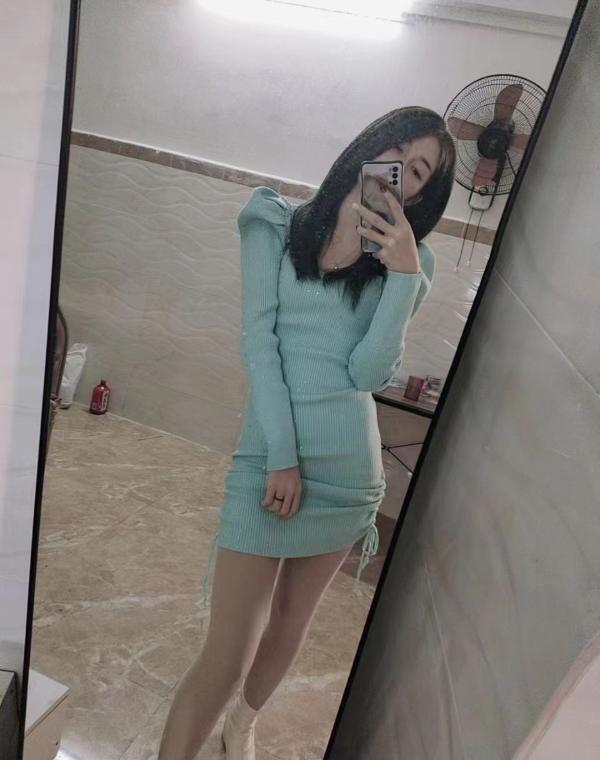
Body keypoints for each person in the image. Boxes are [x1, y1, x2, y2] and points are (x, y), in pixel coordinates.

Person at [158, 106, 456, 760]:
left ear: (422, 193)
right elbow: (260, 343)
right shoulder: (277, 223)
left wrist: (403, 275)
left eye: (419, 170)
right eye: (397, 147)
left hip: (348, 476)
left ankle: (242, 726)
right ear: (370, 143)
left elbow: (367, 374)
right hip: (268, 459)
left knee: (291, 623)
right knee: (226, 655)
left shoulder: (413, 264)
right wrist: (282, 459)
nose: (401, 167)